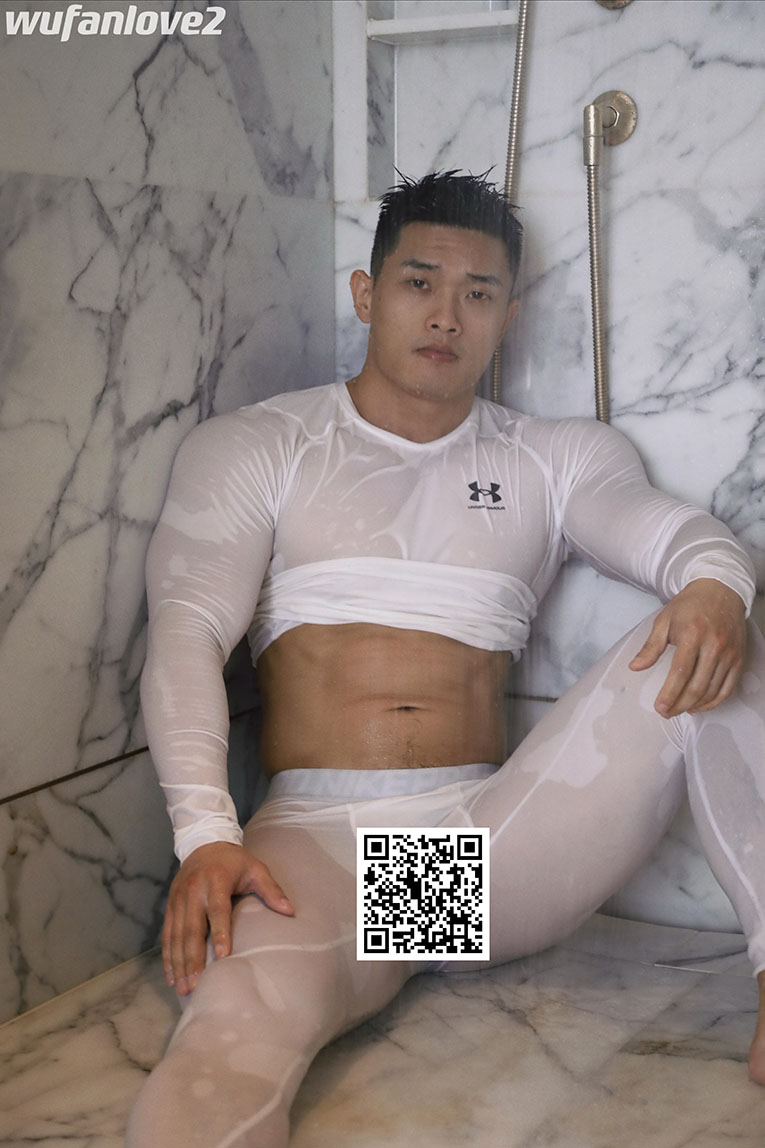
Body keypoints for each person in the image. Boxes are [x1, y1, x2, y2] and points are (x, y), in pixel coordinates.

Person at [127, 171, 765, 1148]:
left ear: (507, 315)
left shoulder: (555, 456)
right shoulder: (259, 445)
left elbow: (677, 537)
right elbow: (185, 630)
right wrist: (205, 834)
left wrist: (716, 583)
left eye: (477, 292)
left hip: (482, 857)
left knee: (716, 631)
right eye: (419, 282)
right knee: (231, 1035)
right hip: (319, 858)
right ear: (366, 292)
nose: (445, 315)